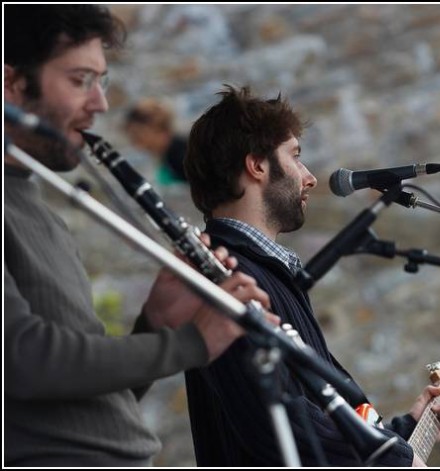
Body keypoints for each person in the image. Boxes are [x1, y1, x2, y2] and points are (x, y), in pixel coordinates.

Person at [4, 5, 272, 466]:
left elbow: (87, 401)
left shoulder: (35, 206)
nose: (100, 103)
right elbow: (24, 362)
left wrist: (157, 320)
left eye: (100, 81)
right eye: (80, 80)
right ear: (10, 85)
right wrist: (193, 342)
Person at [182, 85, 440, 467]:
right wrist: (393, 457)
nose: (310, 177)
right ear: (257, 165)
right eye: (296, 157)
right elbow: (273, 420)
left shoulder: (268, 271)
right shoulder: (226, 276)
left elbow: (323, 414)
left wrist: (408, 427)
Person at [123, 98, 188, 185]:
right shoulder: (171, 154)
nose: (137, 145)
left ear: (156, 128)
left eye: (138, 137)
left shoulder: (181, 157)